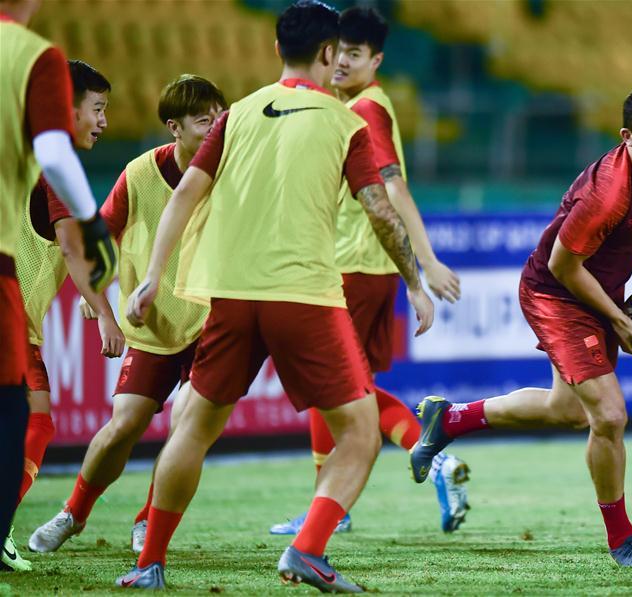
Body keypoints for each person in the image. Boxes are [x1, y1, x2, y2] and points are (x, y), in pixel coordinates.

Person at [116, 1, 432, 591]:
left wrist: (153, 274)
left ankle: (148, 563)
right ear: (329, 53)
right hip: (304, 295)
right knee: (359, 431)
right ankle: (307, 550)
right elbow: (379, 210)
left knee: (193, 428)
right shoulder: (344, 121)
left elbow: (184, 194)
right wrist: (415, 282)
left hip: (231, 294)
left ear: (278, 49)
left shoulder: (235, 114)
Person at [409, 84, 632, 568]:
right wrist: (618, 320)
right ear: (627, 138)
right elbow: (563, 266)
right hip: (556, 293)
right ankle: (622, 539)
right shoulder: (607, 193)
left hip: (600, 289)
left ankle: (449, 420)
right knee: (609, 416)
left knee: (567, 411)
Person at [270, 5, 469, 539]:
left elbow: (393, 188)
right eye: (339, 52)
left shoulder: (365, 109)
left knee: (330, 387)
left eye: (355, 54)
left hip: (352, 267)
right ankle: (424, 464)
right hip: (366, 266)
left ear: (375, 60)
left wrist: (425, 264)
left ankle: (422, 461)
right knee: (347, 389)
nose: (342, 62)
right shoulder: (358, 105)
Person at [28, 74, 227, 556]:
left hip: (214, 324)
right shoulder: (140, 174)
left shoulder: (234, 173)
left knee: (186, 427)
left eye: (221, 118)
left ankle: (147, 520)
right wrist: (96, 290)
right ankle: (73, 513)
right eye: (205, 121)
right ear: (174, 128)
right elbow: (102, 233)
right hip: (153, 323)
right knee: (124, 425)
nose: (217, 128)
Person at [0, 0, 115, 572]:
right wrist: (106, 310)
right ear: (64, 106)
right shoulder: (53, 169)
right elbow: (74, 248)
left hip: (21, 319)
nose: (103, 122)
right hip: (13, 321)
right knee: (34, 422)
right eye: (97, 109)